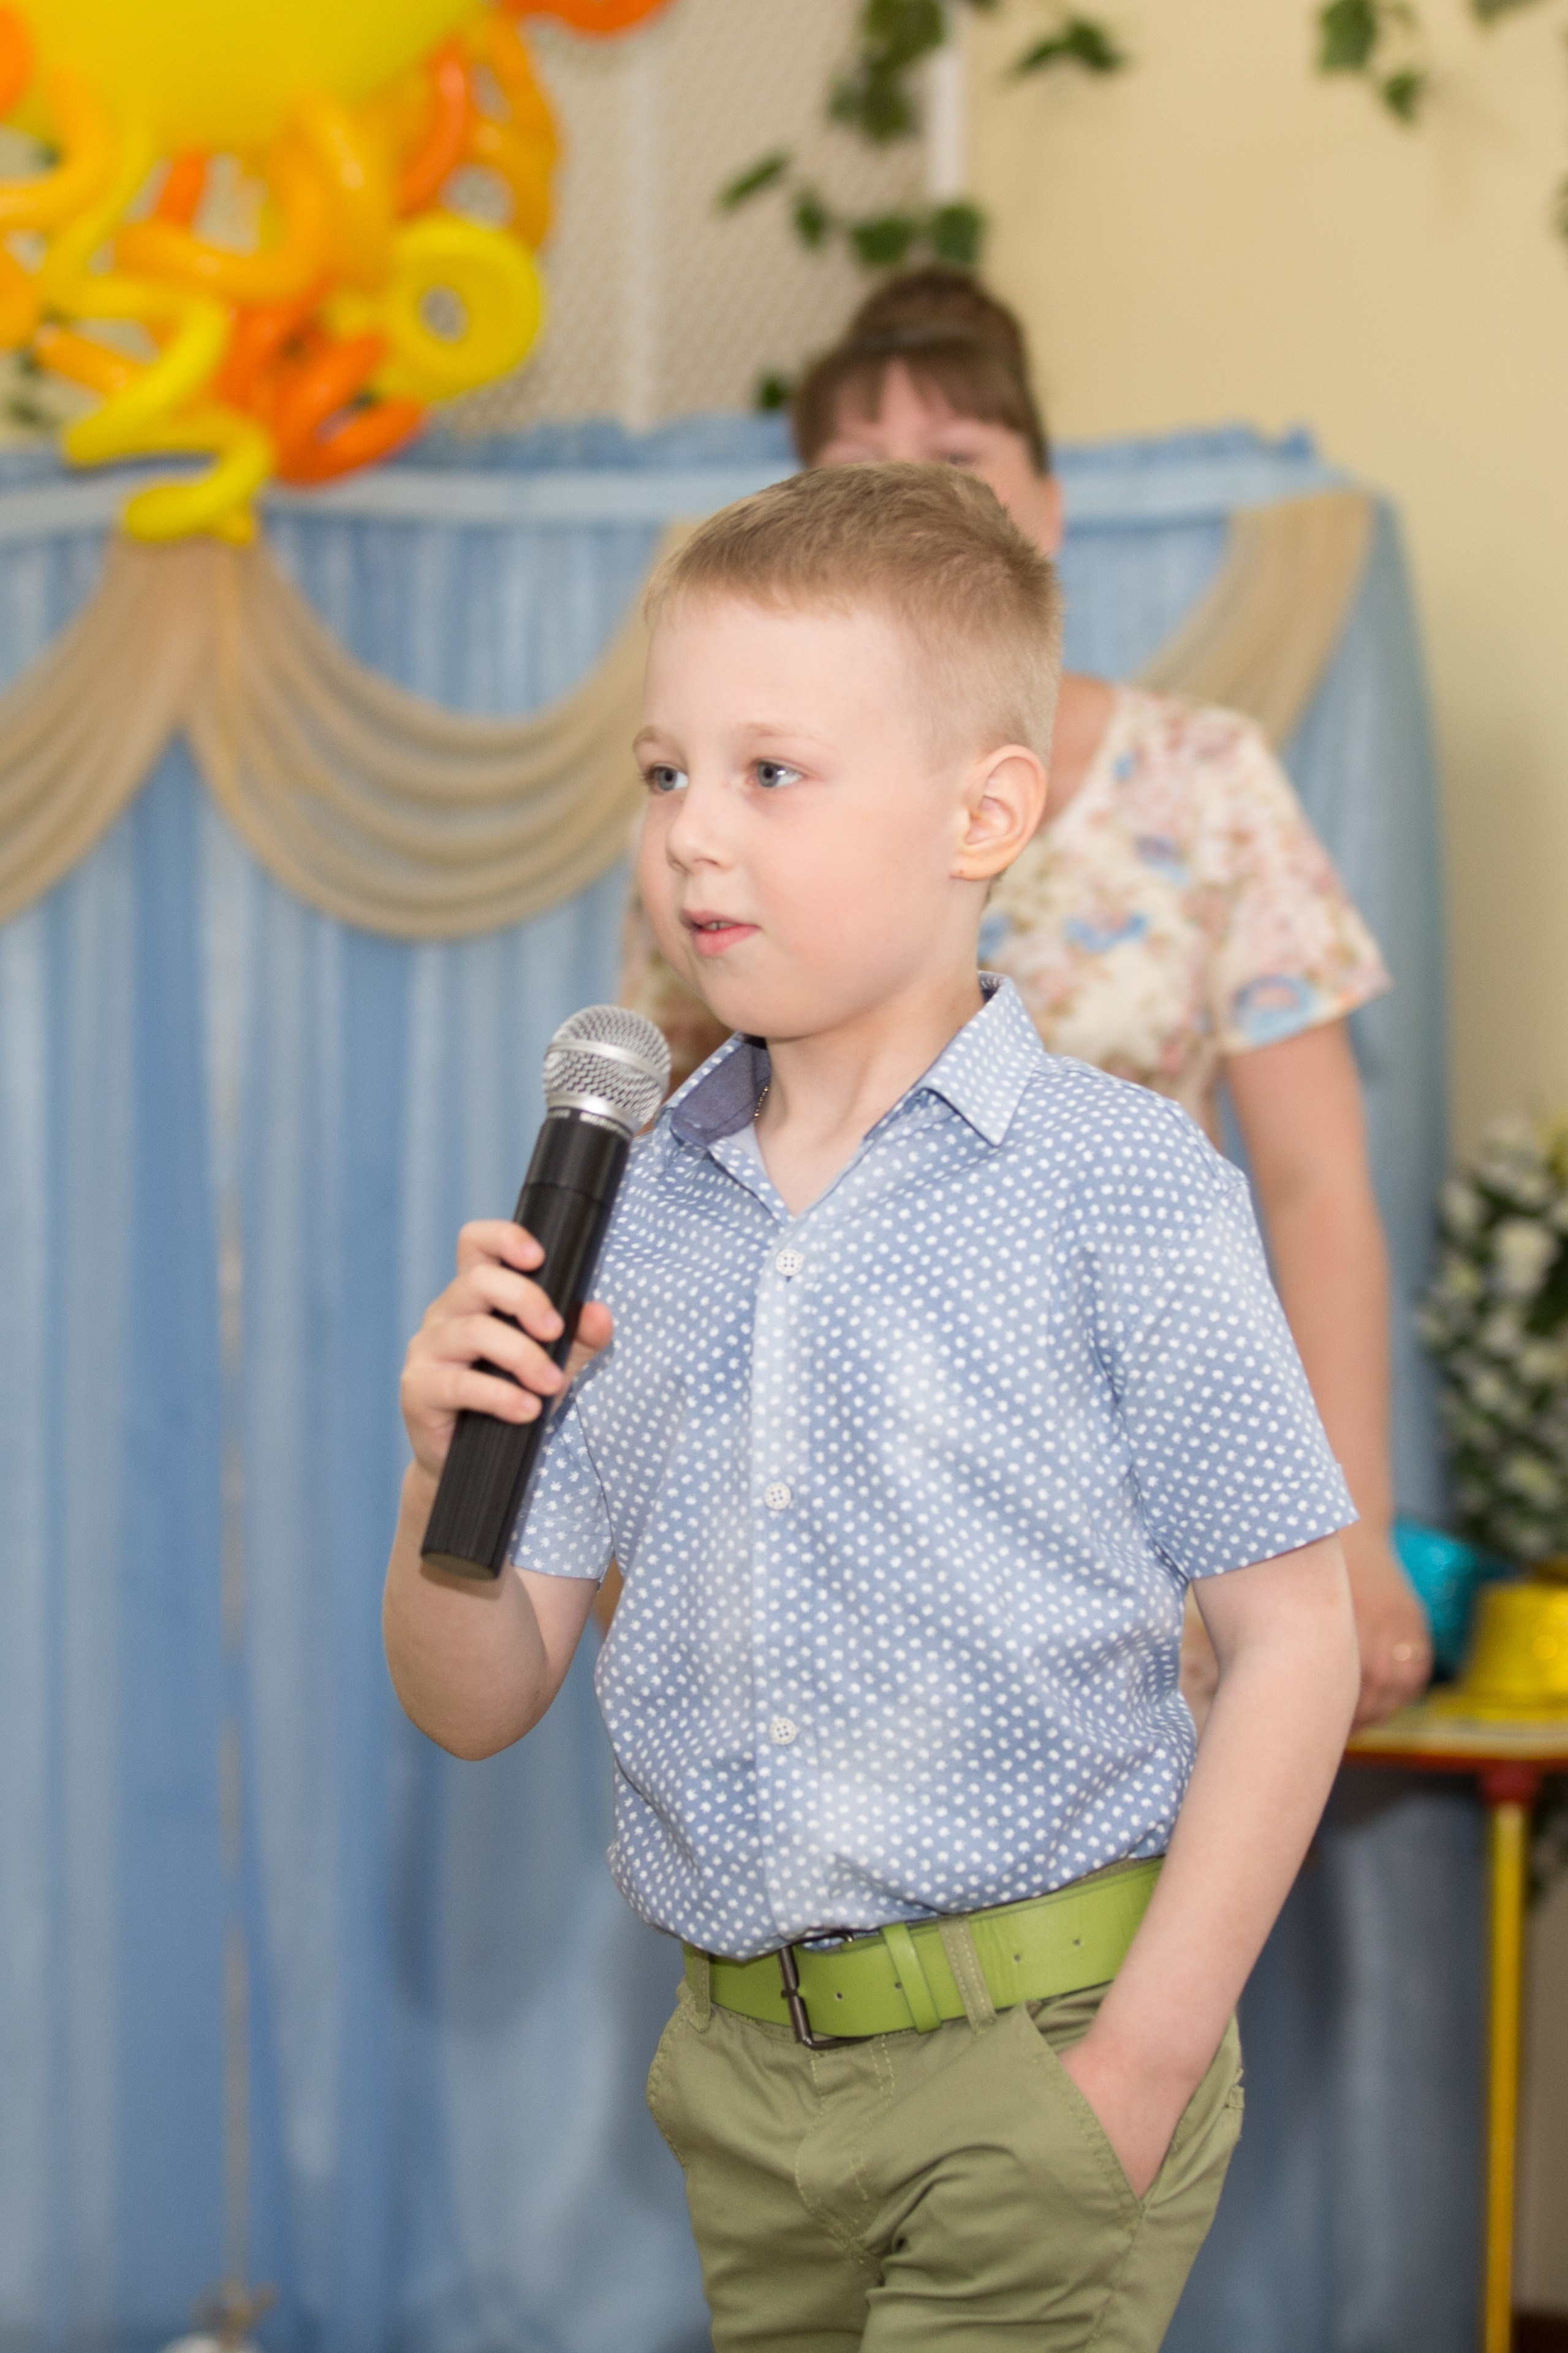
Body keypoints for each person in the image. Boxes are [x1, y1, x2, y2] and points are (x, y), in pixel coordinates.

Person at [388, 463, 1362, 2349]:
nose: (694, 839)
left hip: (1047, 2058)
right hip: (741, 2088)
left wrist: (1141, 2068)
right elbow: (481, 1698)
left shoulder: (1121, 1182)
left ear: (985, 814)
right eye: (669, 773)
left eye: (774, 774)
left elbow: (1294, 1639)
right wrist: (447, 1488)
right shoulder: (631, 1208)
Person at [620, 267, 1430, 1729]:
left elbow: (1312, 1186)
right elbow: (672, 1164)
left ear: (1044, 511)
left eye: (959, 463)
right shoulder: (715, 834)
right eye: (856, 474)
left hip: (1136, 1476)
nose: (913, 501)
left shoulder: (1205, 780)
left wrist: (1352, 1524)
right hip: (818, 1501)